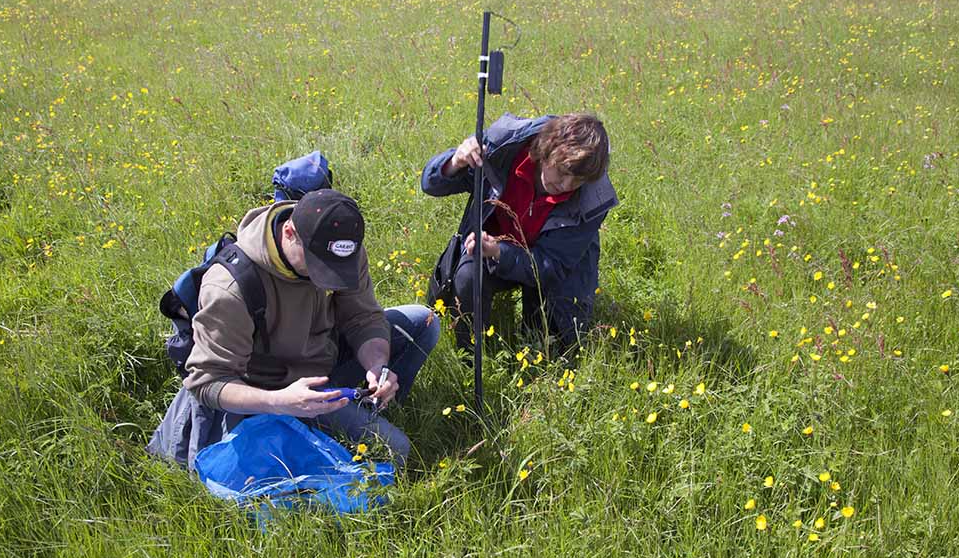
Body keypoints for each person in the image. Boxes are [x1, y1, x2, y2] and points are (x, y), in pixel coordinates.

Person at [148, 189, 440, 470]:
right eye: (319, 267)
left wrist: (378, 365)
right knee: (393, 450)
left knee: (423, 321)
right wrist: (281, 402)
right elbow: (207, 383)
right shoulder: (230, 287)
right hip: (263, 391)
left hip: (320, 364)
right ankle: (316, 429)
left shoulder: (340, 249)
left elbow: (362, 317)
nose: (327, 280)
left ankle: (371, 403)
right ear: (289, 232)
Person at [421, 113, 617, 350]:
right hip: (489, 254)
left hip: (547, 271)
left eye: (577, 181)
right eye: (563, 172)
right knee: (468, 275)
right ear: (546, 150)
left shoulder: (592, 201)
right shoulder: (502, 150)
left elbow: (551, 266)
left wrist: (500, 251)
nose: (566, 186)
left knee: (547, 349)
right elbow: (430, 185)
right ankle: (472, 354)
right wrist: (455, 161)